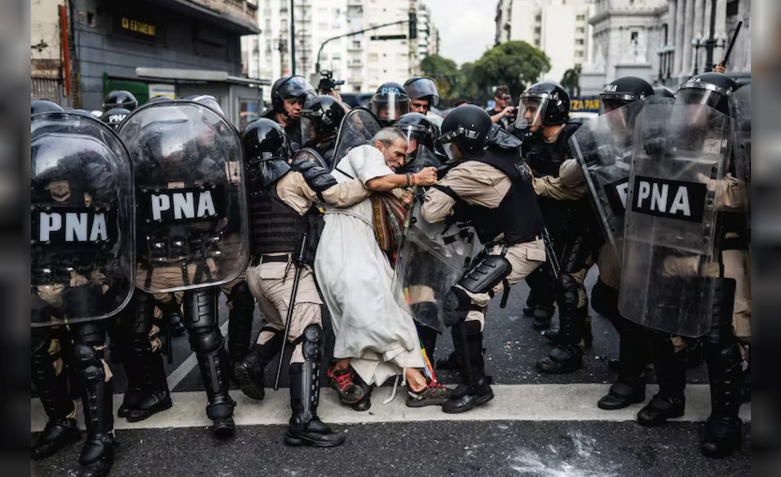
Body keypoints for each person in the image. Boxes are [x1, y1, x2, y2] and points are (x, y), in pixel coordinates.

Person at [619, 72, 750, 458]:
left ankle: (725, 420)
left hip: (720, 252)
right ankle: (670, 395)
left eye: (697, 100)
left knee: (716, 338)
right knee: (661, 324)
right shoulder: (670, 139)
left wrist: (690, 172)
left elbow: (737, 195)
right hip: (672, 246)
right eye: (686, 99)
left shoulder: (742, 142)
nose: (688, 108)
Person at [233, 118, 375, 447]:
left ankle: (252, 363)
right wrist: (371, 182)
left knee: (279, 322)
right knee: (309, 336)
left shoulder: (243, 182)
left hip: (255, 273)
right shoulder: (292, 177)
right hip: (286, 272)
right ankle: (303, 421)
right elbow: (338, 196)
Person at [118, 100, 249, 438]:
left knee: (204, 334)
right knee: (137, 336)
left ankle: (220, 402)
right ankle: (157, 392)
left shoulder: (206, 168)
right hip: (150, 266)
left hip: (194, 262)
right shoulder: (136, 172)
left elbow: (228, 216)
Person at [32, 105, 136, 477]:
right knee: (41, 354)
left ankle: (101, 436)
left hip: (82, 278)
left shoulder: (90, 176)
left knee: (88, 357)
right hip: (39, 279)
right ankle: (62, 421)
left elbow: (119, 213)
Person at [421, 105, 547, 413]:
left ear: (466, 141)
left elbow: (430, 211)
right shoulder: (503, 155)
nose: (450, 150)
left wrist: (433, 184)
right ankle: (465, 357)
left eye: (453, 143)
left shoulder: (470, 169)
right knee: (468, 299)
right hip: (512, 242)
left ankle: (476, 386)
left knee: (461, 301)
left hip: (517, 249)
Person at [548, 76, 662, 407]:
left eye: (617, 107)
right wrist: (595, 153)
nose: (609, 113)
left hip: (652, 238)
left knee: (632, 308)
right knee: (605, 299)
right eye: (607, 106)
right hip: (620, 236)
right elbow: (567, 175)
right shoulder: (603, 141)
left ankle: (632, 380)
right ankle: (640, 357)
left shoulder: (656, 142)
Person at [315, 128, 448, 410]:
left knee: (390, 311)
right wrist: (415, 178)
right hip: (344, 240)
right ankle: (412, 383)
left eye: (405, 157)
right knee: (364, 310)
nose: (400, 160)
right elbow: (375, 181)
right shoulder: (365, 153)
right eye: (397, 153)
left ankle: (349, 372)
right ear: (379, 145)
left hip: (361, 243)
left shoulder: (381, 173)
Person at [264, 76, 318, 150]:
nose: (298, 107)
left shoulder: (305, 126)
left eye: (300, 103)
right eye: (292, 103)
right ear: (279, 103)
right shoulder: (265, 127)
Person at [300, 95, 347, 168]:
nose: (309, 126)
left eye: (312, 122)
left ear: (323, 123)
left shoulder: (333, 155)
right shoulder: (314, 144)